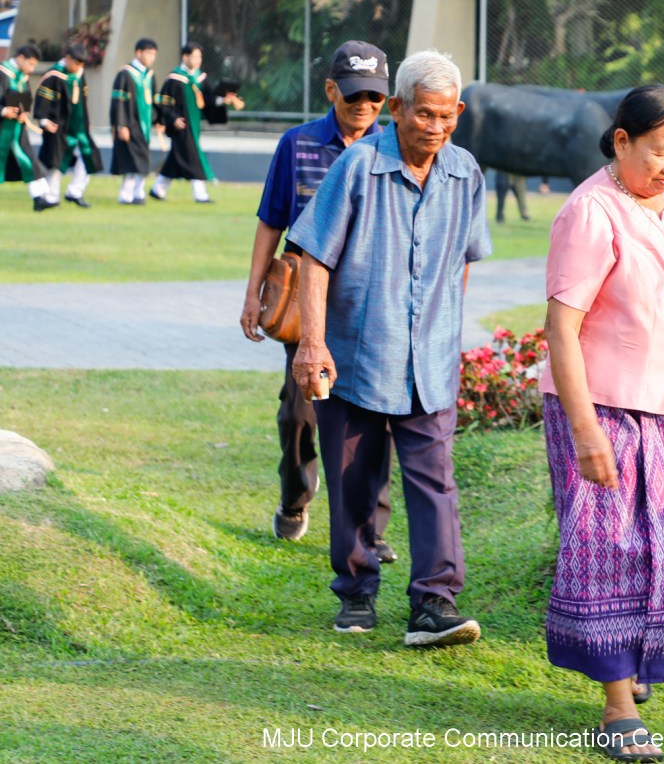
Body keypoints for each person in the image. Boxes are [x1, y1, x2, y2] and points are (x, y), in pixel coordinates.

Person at [541, 85, 664, 761]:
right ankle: (618, 704)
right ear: (622, 142)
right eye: (659, 151)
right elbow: (562, 331)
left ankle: (639, 658)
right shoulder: (590, 212)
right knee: (611, 551)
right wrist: (586, 431)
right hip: (602, 407)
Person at [288, 50, 491, 645]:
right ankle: (356, 592)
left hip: (428, 364)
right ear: (397, 108)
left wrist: (448, 332)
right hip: (355, 356)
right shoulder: (357, 167)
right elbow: (314, 258)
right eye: (424, 114)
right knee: (355, 478)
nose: (435, 127)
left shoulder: (466, 174)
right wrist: (312, 346)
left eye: (447, 116)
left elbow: (462, 263)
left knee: (435, 482)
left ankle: (435, 603)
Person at [240, 40, 398, 558]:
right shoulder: (298, 144)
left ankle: (372, 528)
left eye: (375, 96)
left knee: (377, 416)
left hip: (372, 304)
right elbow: (272, 221)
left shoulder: (394, 148)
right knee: (299, 413)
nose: (364, 106)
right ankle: (295, 498)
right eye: (354, 95)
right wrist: (251, 293)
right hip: (306, 303)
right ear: (331, 90)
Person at [152, 41, 244, 203]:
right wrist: (173, 119)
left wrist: (224, 100)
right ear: (185, 57)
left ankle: (158, 189)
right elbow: (164, 103)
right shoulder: (174, 78)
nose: (198, 60)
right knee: (193, 155)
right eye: (194, 56)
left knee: (177, 156)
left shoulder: (200, 78)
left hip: (194, 124)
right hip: (181, 125)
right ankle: (200, 193)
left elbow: (208, 100)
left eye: (199, 57)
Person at [34, 42, 103, 208]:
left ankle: (75, 191)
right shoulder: (54, 75)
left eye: (82, 64)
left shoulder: (79, 74)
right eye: (77, 63)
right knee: (55, 163)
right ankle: (51, 196)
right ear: (68, 59)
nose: (79, 67)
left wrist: (86, 122)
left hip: (78, 127)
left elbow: (83, 101)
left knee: (88, 157)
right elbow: (42, 101)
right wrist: (44, 121)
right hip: (58, 127)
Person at [0, 44, 57, 212]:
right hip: (2, 128)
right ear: (21, 58)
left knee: (28, 160)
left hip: (16, 130)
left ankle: (40, 198)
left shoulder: (21, 77)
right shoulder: (2, 73)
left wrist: (23, 112)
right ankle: (41, 197)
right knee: (26, 159)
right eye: (30, 64)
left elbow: (25, 99)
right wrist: (3, 111)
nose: (31, 69)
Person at [110, 38, 161, 205]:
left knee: (143, 161)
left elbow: (154, 101)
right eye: (149, 53)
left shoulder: (150, 75)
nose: (151, 57)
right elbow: (118, 102)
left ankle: (138, 193)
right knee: (132, 162)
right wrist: (121, 125)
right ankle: (125, 195)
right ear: (138, 53)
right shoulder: (125, 74)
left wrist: (158, 120)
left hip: (144, 126)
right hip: (130, 124)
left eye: (154, 54)